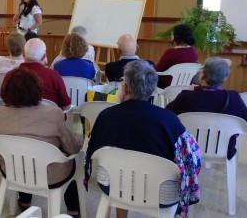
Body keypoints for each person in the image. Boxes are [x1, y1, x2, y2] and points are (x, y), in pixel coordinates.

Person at [85, 60, 201, 217]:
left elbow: (92, 150)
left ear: (125, 87)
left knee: (119, 165)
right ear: (152, 90)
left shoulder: (106, 116)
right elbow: (192, 157)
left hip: (113, 184)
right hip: (159, 191)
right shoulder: (169, 120)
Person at [0, 68, 82, 216]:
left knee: (20, 155)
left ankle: (24, 201)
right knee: (73, 161)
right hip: (50, 175)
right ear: (37, 89)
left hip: (12, 171)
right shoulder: (54, 113)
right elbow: (72, 148)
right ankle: (73, 210)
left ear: (5, 91)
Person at [167, 57, 247, 158]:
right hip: (224, 150)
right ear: (224, 78)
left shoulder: (186, 97)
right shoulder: (234, 98)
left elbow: (167, 115)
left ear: (202, 76)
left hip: (188, 149)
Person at [19, 38, 71, 110]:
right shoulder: (53, 76)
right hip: (48, 120)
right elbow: (66, 106)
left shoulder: (10, 76)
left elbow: (3, 103)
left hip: (18, 120)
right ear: (44, 56)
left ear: (23, 53)